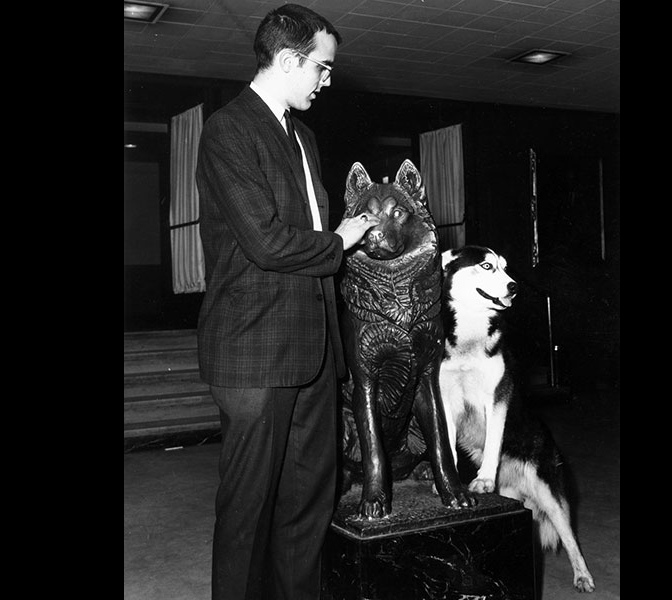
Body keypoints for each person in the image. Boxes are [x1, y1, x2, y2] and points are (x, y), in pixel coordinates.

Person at [195, 4, 380, 599]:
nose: (328, 80)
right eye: (322, 68)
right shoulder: (229, 128)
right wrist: (342, 237)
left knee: (306, 505)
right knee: (249, 511)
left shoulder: (301, 135)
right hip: (252, 351)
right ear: (286, 60)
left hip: (312, 349)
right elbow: (268, 243)